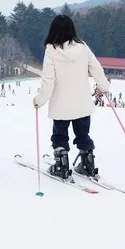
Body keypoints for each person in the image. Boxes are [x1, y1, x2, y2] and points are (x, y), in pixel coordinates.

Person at [33, 15, 111, 179]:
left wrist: (39, 99)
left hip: (61, 104)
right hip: (82, 102)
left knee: (60, 135)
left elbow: (48, 80)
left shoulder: (51, 50)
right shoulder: (82, 47)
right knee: (83, 134)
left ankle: (61, 164)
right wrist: (103, 86)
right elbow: (96, 67)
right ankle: (87, 163)